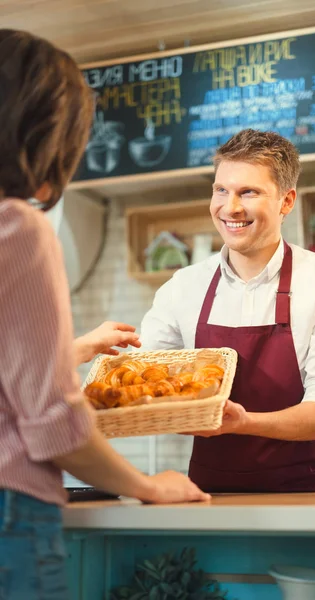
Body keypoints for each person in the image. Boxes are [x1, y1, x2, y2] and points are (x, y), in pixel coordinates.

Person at [0, 29, 209, 600]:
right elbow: (51, 425)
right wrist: (147, 486)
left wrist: (72, 349)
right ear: (44, 131)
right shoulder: (17, 226)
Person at [141, 128, 315, 494]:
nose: (230, 207)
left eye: (249, 192)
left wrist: (242, 422)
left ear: (286, 201)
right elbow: (147, 379)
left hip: (305, 501)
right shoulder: (183, 287)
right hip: (209, 499)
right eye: (221, 190)